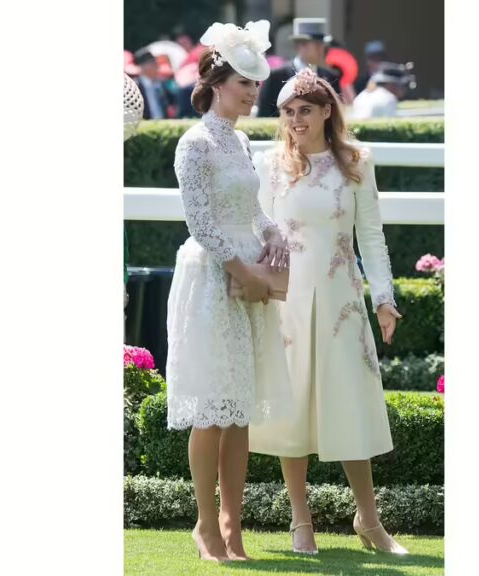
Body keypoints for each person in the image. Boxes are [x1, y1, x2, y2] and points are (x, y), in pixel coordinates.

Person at [249, 67, 409, 556]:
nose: (296, 120)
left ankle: (370, 520)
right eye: (288, 112)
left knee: (350, 405)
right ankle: (301, 522)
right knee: (292, 406)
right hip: (288, 303)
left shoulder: (357, 161)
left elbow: (373, 236)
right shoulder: (271, 164)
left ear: (326, 112)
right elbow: (259, 232)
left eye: (305, 111)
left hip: (341, 301)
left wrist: (384, 298)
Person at [164, 20, 292, 563]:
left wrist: (273, 232)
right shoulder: (194, 143)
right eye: (245, 82)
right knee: (212, 410)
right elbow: (199, 222)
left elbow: (249, 209)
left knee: (239, 410)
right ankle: (204, 526)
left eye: (256, 83)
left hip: (249, 283)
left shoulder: (240, 141)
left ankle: (232, 527)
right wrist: (243, 267)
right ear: (219, 82)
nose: (253, 91)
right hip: (213, 281)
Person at [256, 18, 341, 117]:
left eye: (323, 45)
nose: (322, 49)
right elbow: (264, 116)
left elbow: (336, 117)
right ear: (300, 46)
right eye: (317, 44)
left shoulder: (331, 77)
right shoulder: (276, 77)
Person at [351, 61, 416, 120]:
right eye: (401, 85)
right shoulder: (389, 99)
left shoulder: (362, 95)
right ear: (391, 84)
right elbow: (390, 126)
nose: (403, 89)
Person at [133, 48, 174, 119]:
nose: (157, 66)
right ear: (143, 66)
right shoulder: (135, 87)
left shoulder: (160, 84)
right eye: (153, 63)